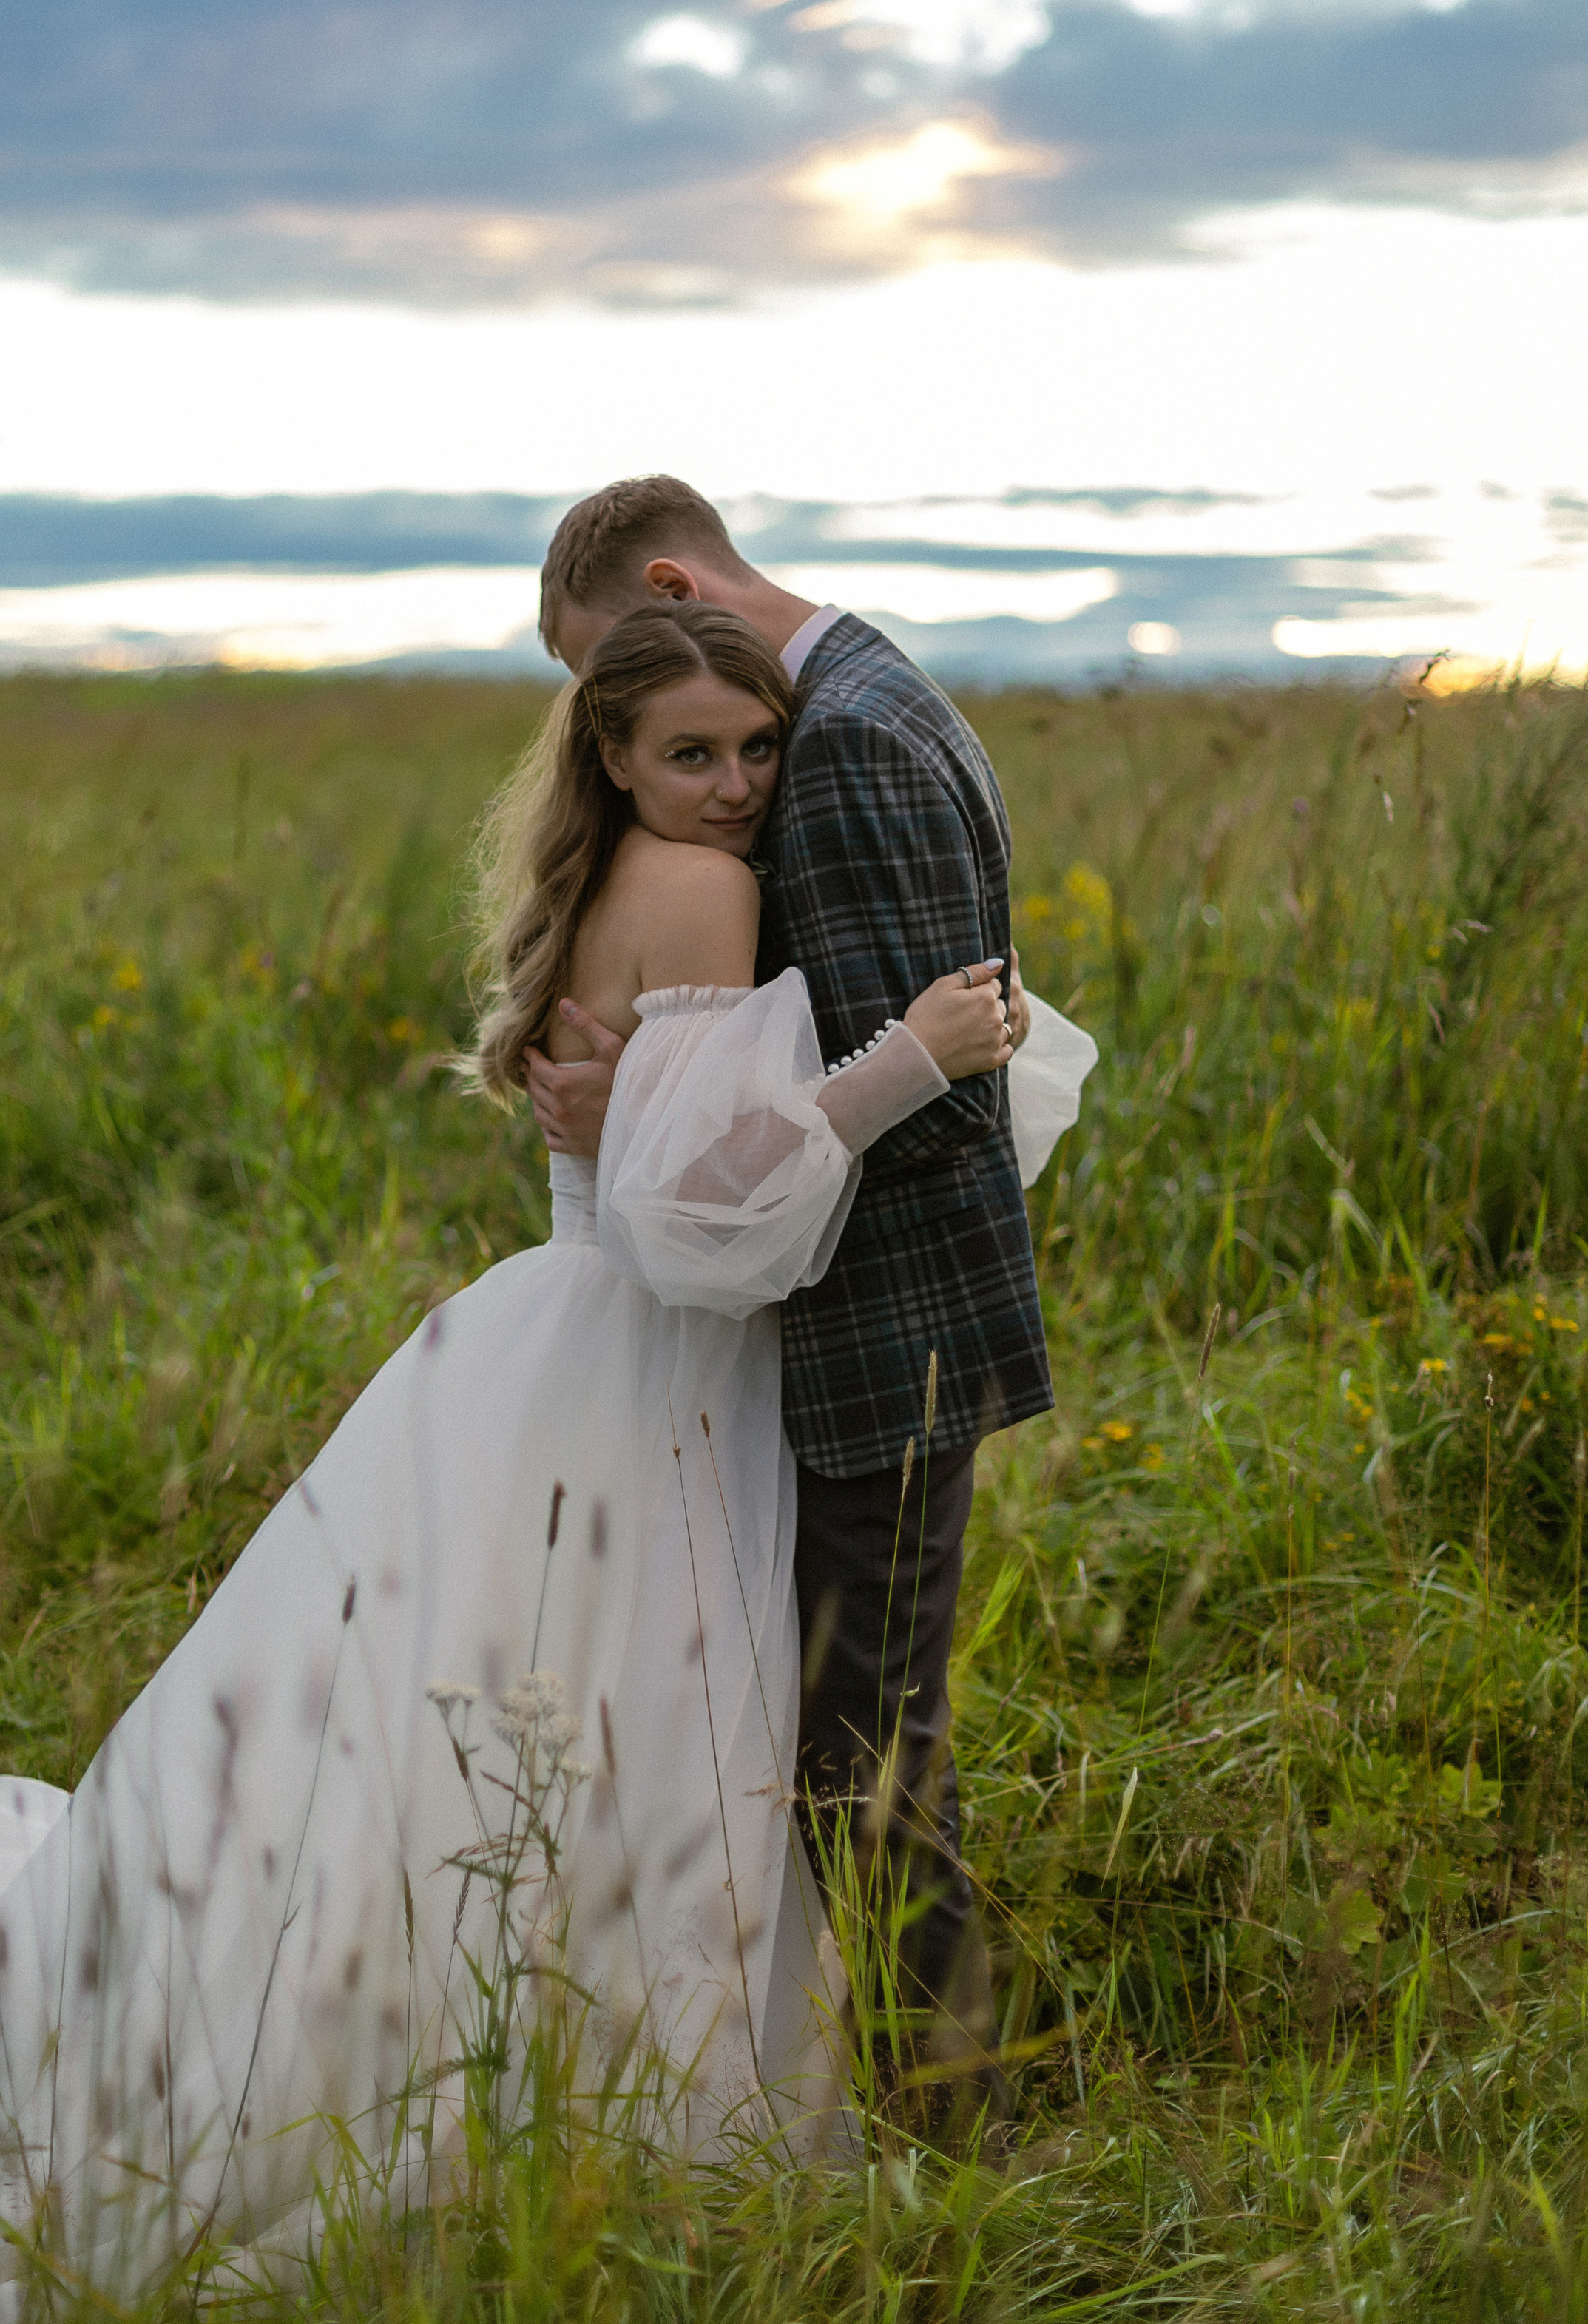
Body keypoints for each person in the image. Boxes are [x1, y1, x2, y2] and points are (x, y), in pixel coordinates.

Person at [0, 601, 1027, 2314]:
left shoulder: (613, 875)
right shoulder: (703, 886)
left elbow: (646, 1161)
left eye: (755, 750)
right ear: (608, 753)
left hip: (549, 1358)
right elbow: (697, 1221)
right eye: (687, 753)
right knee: (637, 1747)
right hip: (645, 1370)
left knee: (508, 1755)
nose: (731, 786)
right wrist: (909, 1060)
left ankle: (501, 2063)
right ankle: (614, 2103)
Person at [528, 476, 1064, 2129]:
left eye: (626, 662)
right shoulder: (822, 731)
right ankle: (941, 2087)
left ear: (678, 584)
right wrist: (665, 1125)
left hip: (872, 1330)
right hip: (754, 1331)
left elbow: (959, 1079)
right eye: (654, 732)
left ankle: (961, 2114)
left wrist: (679, 1134)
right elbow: (911, 1031)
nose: (709, 767)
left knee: (857, 1745)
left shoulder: (846, 744)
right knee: (822, 1735)